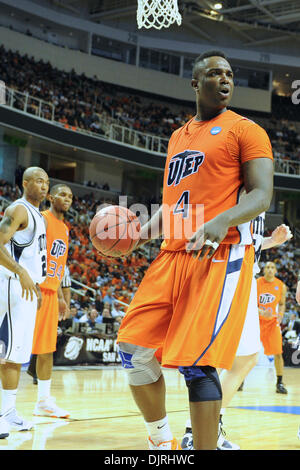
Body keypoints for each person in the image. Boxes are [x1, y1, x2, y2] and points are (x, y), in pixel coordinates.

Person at [116, 50, 274, 450]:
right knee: (132, 349)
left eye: (230, 74)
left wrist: (222, 220)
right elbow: (173, 207)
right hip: (172, 253)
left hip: (220, 255)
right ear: (195, 82)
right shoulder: (177, 136)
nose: (225, 80)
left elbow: (262, 195)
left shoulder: (246, 130)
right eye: (215, 73)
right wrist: (137, 236)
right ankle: (162, 443)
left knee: (197, 363)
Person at [181, 222, 292, 450]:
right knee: (216, 356)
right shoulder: (251, 190)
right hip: (229, 269)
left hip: (243, 270)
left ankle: (208, 427)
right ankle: (195, 432)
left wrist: (270, 241)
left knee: (246, 358)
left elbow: (246, 235)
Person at [0, 167, 49, 439]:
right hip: (10, 285)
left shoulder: (38, 215)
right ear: (25, 183)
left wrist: (37, 286)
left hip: (26, 289)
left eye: (47, 182)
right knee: (5, 353)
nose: (44, 186)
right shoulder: (18, 210)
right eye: (39, 181)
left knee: (16, 355)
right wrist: (20, 273)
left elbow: (32, 256)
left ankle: (8, 414)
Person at [30, 184, 73, 419]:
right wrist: (34, 284)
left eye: (70, 196)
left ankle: (43, 402)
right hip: (33, 290)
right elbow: (34, 255)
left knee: (46, 350)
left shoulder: (65, 229)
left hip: (50, 293)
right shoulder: (42, 219)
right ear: (50, 197)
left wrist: (59, 297)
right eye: (62, 195)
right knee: (13, 349)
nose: (67, 199)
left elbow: (58, 265)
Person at [257, 261, 288, 394]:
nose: (270, 269)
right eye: (267, 267)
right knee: (246, 353)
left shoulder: (281, 285)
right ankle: (240, 382)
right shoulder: (256, 283)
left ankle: (279, 383)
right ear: (263, 270)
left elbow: (281, 304)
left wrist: (280, 314)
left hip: (272, 323)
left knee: (278, 353)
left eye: (272, 267)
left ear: (275, 271)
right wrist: (260, 312)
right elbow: (248, 302)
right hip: (256, 321)